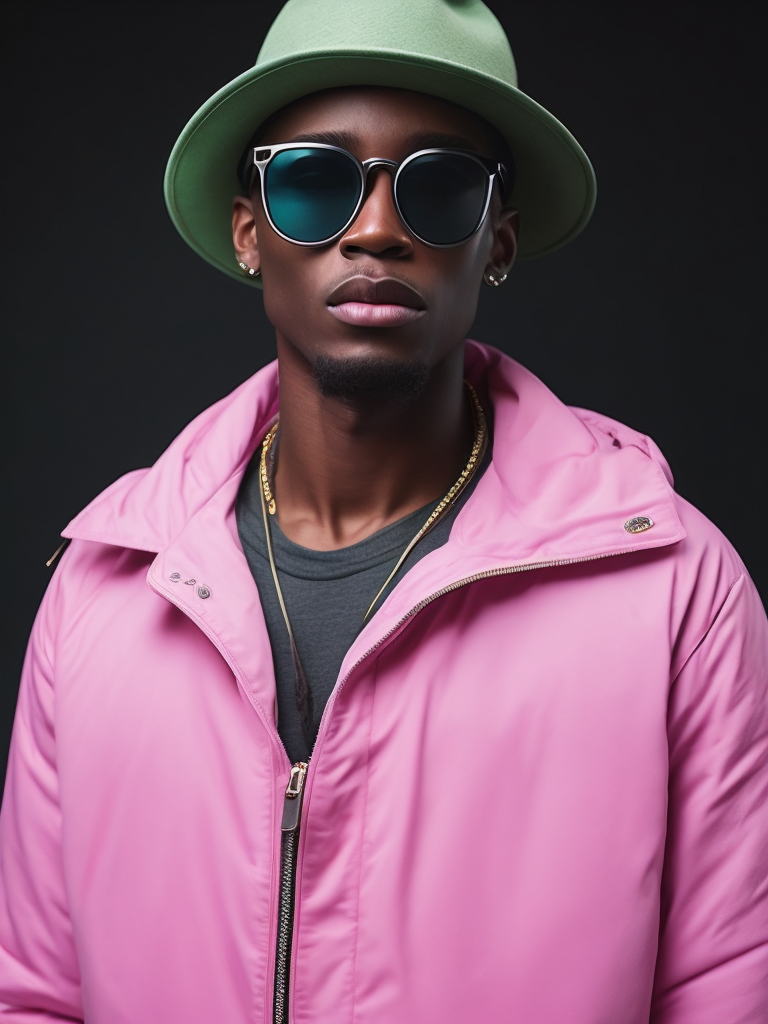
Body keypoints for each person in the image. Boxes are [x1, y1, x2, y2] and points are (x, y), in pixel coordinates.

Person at [1, 0, 766, 1021]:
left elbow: (729, 987)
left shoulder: (678, 591)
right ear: (248, 231)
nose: (374, 229)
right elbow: (33, 991)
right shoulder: (101, 594)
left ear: (498, 237)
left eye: (437, 185)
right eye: (314, 181)